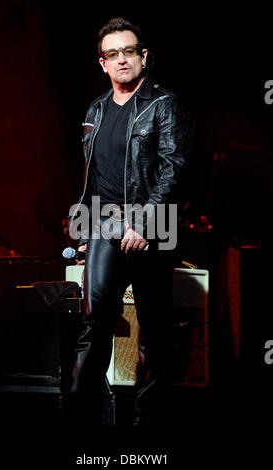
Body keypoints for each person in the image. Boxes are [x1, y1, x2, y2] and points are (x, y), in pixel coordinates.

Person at [66, 17, 193, 428]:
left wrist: (143, 221)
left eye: (129, 51)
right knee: (94, 321)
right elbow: (93, 175)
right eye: (112, 54)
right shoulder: (96, 109)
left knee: (155, 329)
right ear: (102, 63)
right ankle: (82, 417)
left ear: (143, 56)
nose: (121, 60)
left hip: (153, 226)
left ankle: (148, 421)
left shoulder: (163, 105)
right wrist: (85, 230)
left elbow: (174, 170)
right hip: (103, 225)